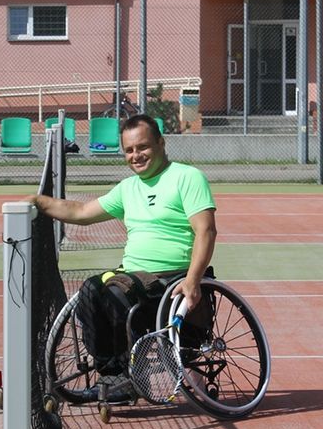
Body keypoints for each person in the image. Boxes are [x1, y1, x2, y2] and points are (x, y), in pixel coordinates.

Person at [29, 113, 217, 380]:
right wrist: (38, 202)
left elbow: (206, 231)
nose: (136, 155)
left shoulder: (187, 177)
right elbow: (82, 211)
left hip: (171, 282)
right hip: (134, 279)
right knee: (92, 290)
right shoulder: (127, 188)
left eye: (143, 147)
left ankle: (123, 376)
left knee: (113, 297)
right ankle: (114, 375)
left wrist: (193, 280)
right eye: (129, 150)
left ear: (161, 143)